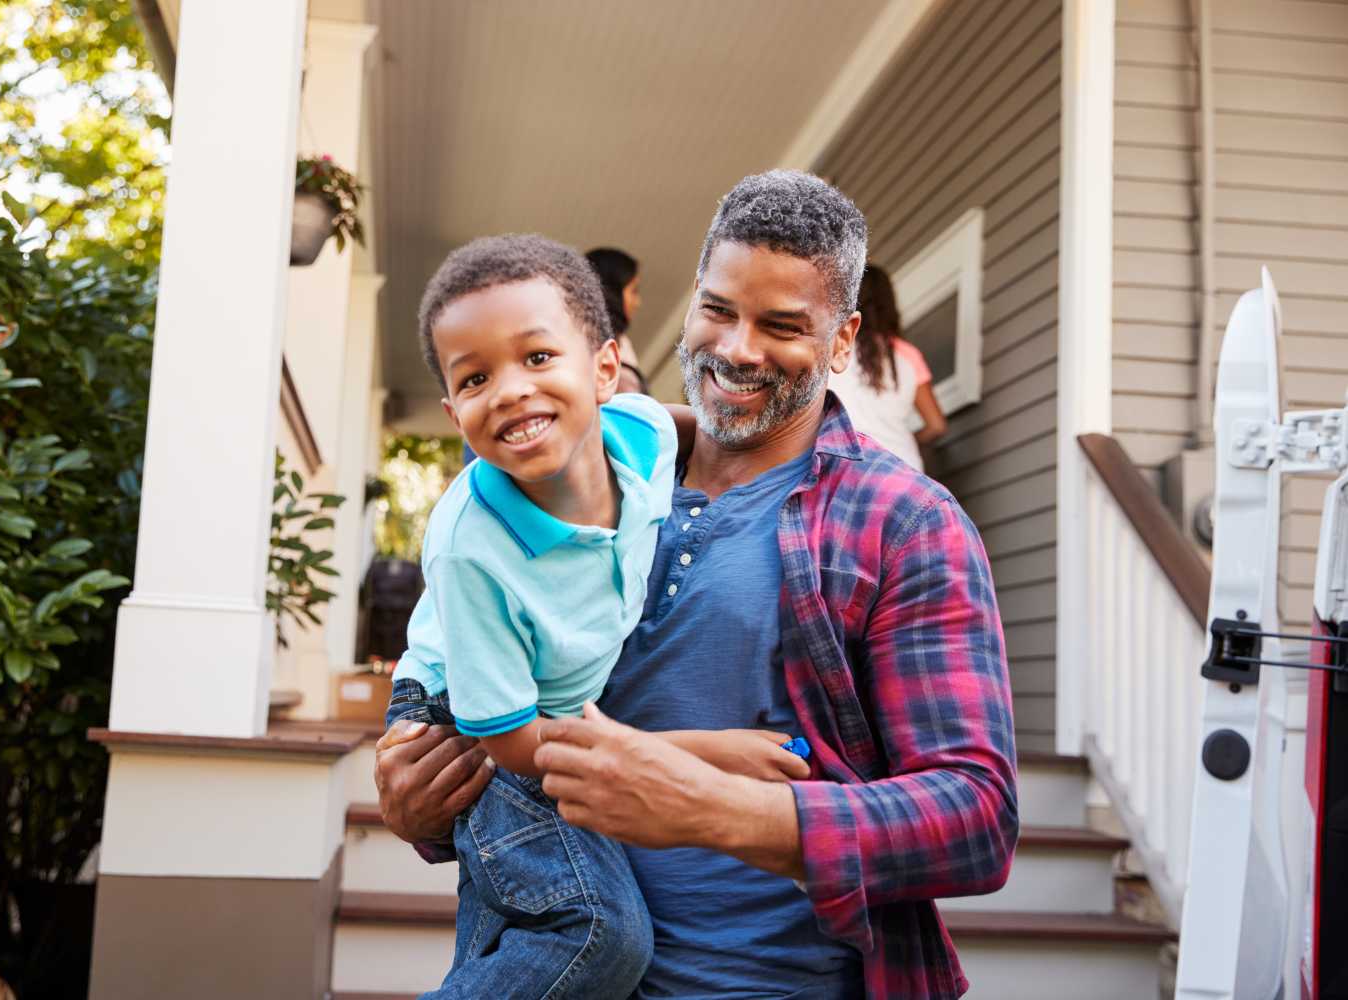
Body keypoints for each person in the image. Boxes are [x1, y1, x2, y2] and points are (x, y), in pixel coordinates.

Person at [377, 171, 1018, 999]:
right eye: (718, 309)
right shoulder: (552, 487)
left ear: (843, 340)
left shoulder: (904, 523)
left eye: (783, 326)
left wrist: (714, 807)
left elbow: (975, 820)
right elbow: (487, 718)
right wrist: (420, 802)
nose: (738, 349)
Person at [389, 233, 812, 998]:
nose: (512, 389)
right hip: (478, 716)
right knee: (595, 932)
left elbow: (704, 437)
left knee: (518, 937)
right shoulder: (473, 551)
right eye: (478, 377)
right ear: (455, 412)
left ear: (607, 369)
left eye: (538, 357)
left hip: (548, 712)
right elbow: (510, 744)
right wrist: (705, 754)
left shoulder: (643, 433)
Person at [826, 264, 947, 471]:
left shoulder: (833, 344)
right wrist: (904, 442)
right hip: (903, 469)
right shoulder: (907, 354)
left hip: (844, 468)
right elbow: (937, 426)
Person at [587, 246, 648, 394]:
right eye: (633, 291)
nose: (637, 302)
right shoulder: (591, 346)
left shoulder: (623, 343)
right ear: (612, 291)